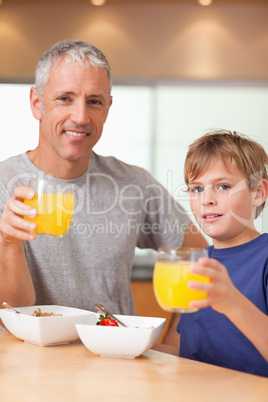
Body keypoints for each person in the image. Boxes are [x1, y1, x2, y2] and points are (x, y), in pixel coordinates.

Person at [0, 40, 207, 333]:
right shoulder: (4, 185)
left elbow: (203, 258)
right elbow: (9, 316)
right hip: (29, 372)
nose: (81, 117)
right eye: (65, 98)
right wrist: (8, 242)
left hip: (116, 368)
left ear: (108, 107)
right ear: (37, 103)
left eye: (94, 101)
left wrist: (175, 341)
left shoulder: (135, 184)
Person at [177, 129, 268, 377]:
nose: (207, 198)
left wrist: (233, 303)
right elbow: (186, 356)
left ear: (258, 193)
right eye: (196, 189)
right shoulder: (195, 264)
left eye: (223, 186)